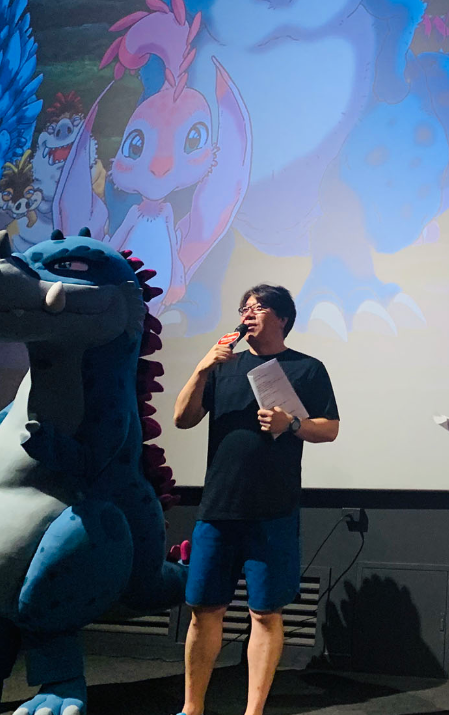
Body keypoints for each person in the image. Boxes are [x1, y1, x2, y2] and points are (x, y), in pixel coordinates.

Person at [172, 285, 339, 715]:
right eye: (243, 308)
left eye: (258, 307)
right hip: (218, 508)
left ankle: (254, 711)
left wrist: (292, 423)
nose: (247, 314)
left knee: (265, 613)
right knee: (203, 610)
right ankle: (192, 708)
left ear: (283, 318)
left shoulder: (307, 368)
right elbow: (182, 419)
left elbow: (330, 428)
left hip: (273, 510)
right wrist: (202, 368)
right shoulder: (223, 367)